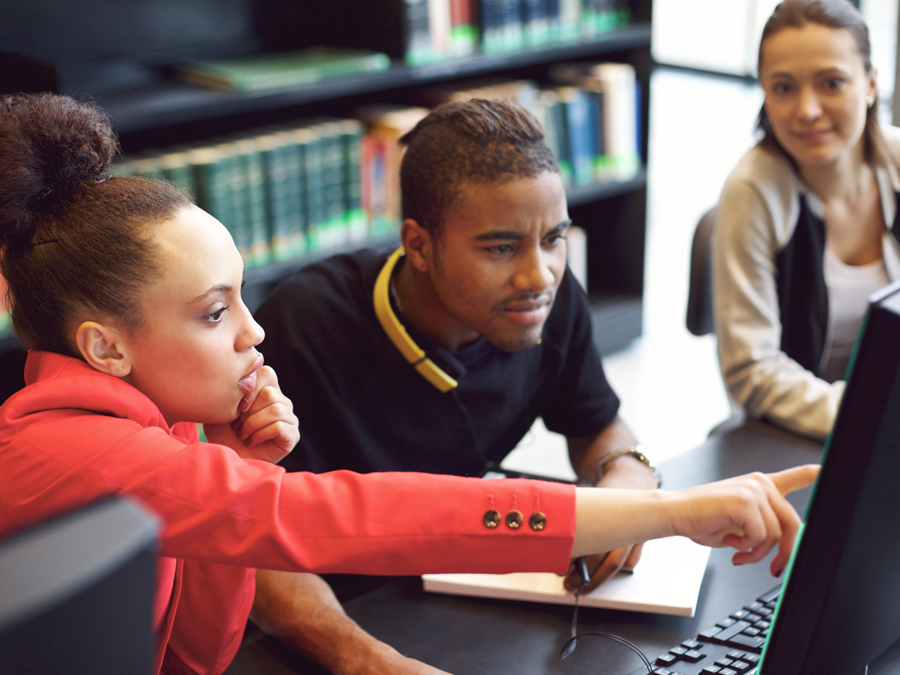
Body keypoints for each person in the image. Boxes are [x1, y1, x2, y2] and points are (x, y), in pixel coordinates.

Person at [0, 92, 816, 675]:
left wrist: (238, 465)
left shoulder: (165, 430)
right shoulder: (75, 449)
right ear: (106, 348)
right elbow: (348, 514)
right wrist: (672, 512)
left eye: (241, 297)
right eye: (215, 314)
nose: (255, 330)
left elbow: (192, 657)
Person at [249, 99, 750, 674]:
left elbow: (594, 421)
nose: (539, 275)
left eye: (554, 239)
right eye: (501, 247)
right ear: (418, 246)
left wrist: (629, 472)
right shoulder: (304, 326)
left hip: (455, 593)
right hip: (336, 615)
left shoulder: (544, 305)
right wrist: (367, 661)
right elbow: (253, 545)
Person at [713, 0, 900, 441]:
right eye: (783, 88)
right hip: (798, 435)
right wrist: (863, 415)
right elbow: (751, 370)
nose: (807, 110)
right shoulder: (752, 192)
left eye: (831, 83)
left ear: (871, 83)